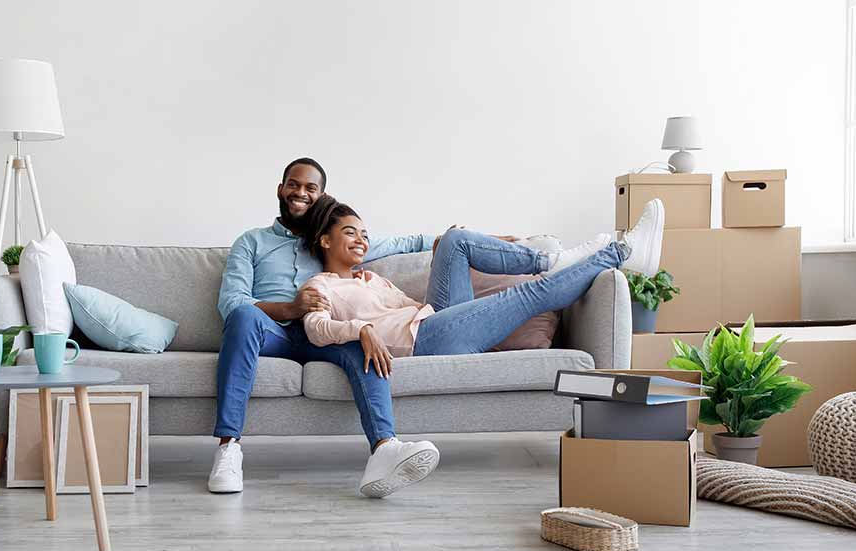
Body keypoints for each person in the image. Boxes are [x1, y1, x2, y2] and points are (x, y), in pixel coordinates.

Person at [298, 194, 663, 433]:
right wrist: (361, 329)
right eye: (350, 233)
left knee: (455, 241)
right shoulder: (319, 286)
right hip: (424, 342)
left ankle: (549, 260)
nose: (362, 240)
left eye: (364, 234)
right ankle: (622, 253)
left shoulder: (372, 278)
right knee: (529, 294)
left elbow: (415, 305)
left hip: (435, 322)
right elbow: (315, 328)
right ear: (325, 241)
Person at [211, 158, 439, 497]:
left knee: (363, 339)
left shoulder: (328, 238)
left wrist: (452, 240)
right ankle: (228, 449)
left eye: (310, 188)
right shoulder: (252, 241)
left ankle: (384, 449)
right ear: (281, 189)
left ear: (322, 195)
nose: (300, 193)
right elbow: (231, 302)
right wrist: (290, 308)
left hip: (322, 330)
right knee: (243, 315)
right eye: (293, 184)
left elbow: (401, 243)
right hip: (270, 331)